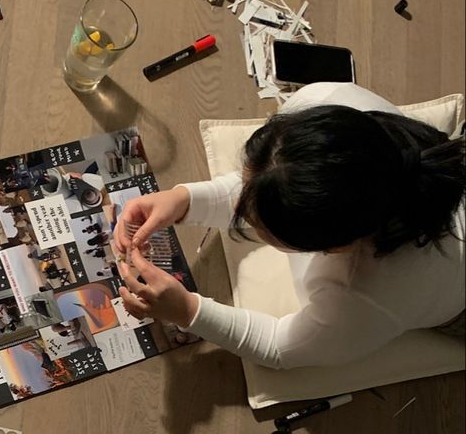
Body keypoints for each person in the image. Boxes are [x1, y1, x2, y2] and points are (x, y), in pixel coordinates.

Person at [115, 83, 465, 369]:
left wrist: (188, 311)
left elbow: (278, 348)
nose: (236, 205)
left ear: (336, 248)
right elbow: (275, 180)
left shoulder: (365, 298)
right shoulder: (324, 100)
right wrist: (185, 199)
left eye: (252, 220)